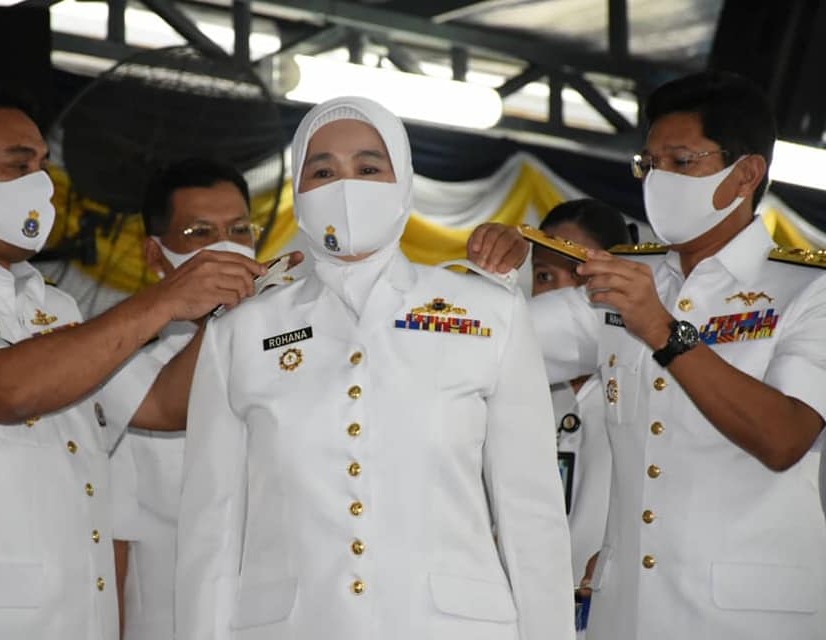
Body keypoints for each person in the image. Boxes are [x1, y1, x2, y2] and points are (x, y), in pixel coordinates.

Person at [0, 93, 266, 640]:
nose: (41, 184)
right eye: (18, 165)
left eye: (43, 166)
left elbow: (164, 404)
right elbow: (8, 388)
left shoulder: (53, 306)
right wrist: (166, 299)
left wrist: (225, 306)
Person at [174, 96, 575, 640]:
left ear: (403, 179)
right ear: (298, 189)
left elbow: (532, 516)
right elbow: (211, 530)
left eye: (368, 168)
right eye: (322, 171)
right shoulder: (240, 329)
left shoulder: (488, 313)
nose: (346, 187)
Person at [468, 71, 826, 640]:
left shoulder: (807, 292)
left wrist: (664, 330)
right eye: (650, 164)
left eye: (682, 162)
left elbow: (784, 438)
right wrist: (486, 279)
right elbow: (480, 345)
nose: (659, 180)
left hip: (751, 619)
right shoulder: (623, 280)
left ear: (746, 174)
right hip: (625, 615)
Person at [111, 158, 260, 640]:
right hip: (168, 623)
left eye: (239, 230)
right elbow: (112, 540)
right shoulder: (121, 375)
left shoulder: (291, 355)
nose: (226, 248)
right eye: (200, 232)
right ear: (155, 256)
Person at [530, 198, 632, 587]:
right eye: (544, 278)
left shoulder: (646, 380)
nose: (559, 297)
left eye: (577, 277)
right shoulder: (510, 381)